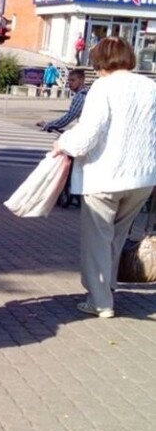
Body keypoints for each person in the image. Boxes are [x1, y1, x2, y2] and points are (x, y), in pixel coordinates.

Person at [52, 36, 156, 318]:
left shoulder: (103, 87)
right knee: (117, 236)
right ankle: (107, 287)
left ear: (100, 62)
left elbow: (88, 135)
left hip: (105, 176)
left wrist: (63, 144)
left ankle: (99, 300)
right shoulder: (151, 87)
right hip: (142, 177)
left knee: (97, 238)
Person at [37, 68, 89, 208]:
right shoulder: (89, 94)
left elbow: (68, 118)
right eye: (68, 81)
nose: (69, 84)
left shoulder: (81, 96)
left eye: (73, 80)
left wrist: (48, 125)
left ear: (81, 80)